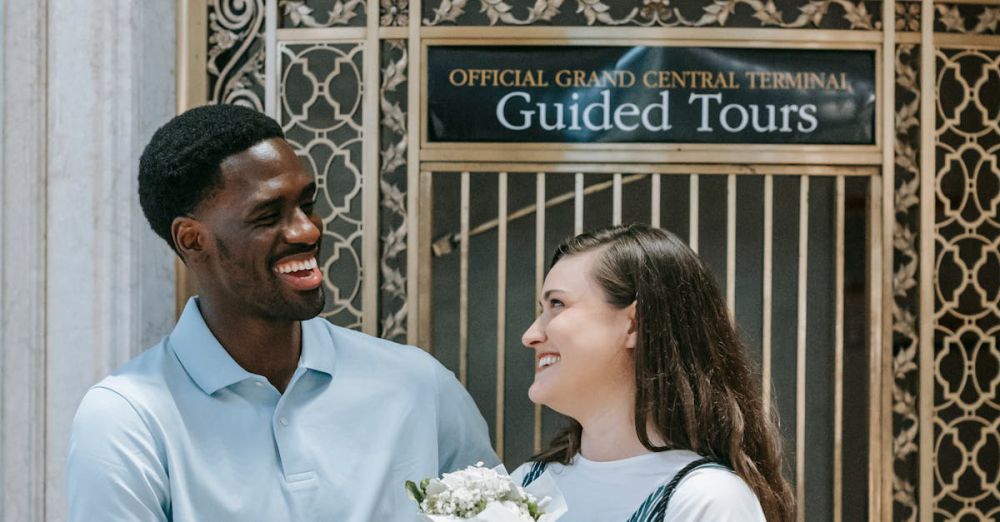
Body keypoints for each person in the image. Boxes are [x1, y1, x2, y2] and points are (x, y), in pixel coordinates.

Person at [66, 104, 498, 521]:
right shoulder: (126, 419)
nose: (307, 230)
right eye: (268, 215)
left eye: (306, 205)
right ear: (193, 240)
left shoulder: (419, 385)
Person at [512, 224, 794, 521]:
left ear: (634, 324)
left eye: (557, 304)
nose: (530, 335)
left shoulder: (705, 498)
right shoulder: (527, 485)